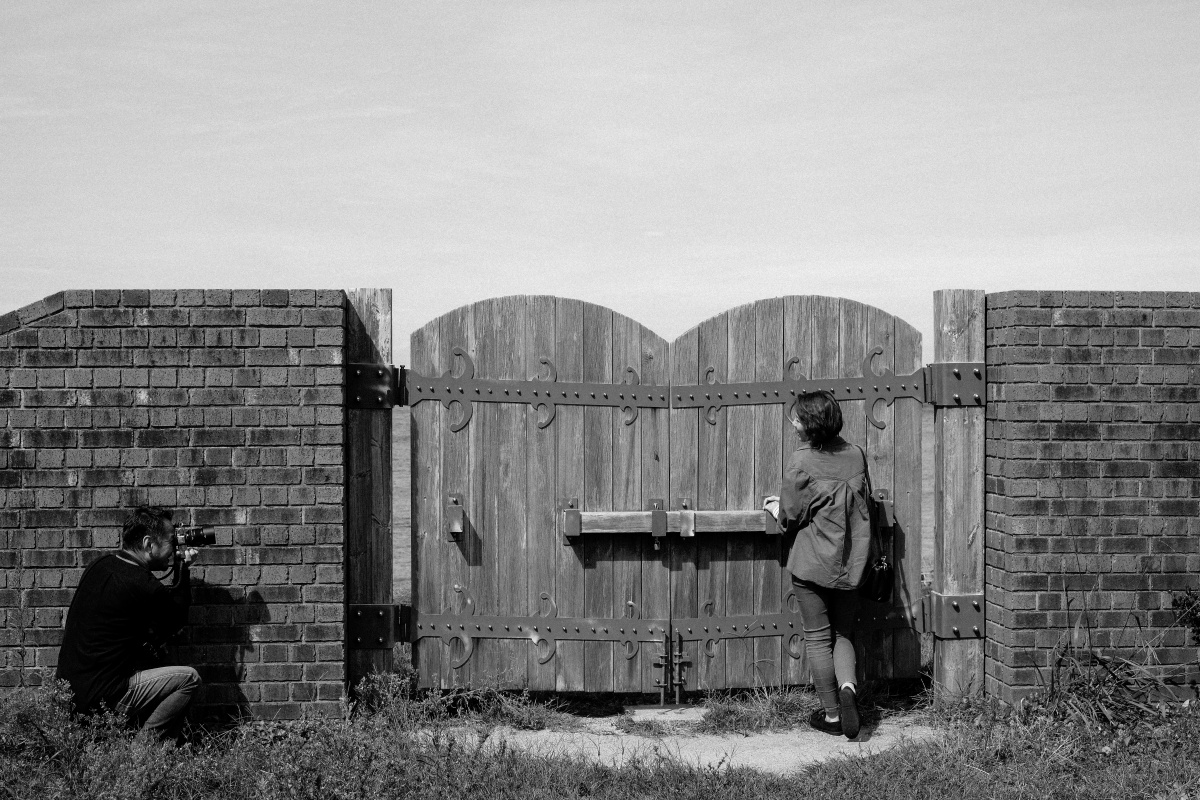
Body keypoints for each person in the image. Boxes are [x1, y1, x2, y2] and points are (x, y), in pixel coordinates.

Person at [764, 391, 873, 739]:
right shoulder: (856, 456)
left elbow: (792, 515)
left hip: (811, 565)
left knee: (816, 638)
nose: (793, 423)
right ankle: (849, 690)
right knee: (843, 634)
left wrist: (774, 508)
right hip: (851, 564)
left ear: (811, 424)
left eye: (797, 418)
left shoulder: (802, 461)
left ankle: (831, 716)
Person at [56, 505, 201, 742]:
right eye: (170, 541)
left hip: (70, 695)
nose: (173, 548)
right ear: (148, 544)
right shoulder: (142, 585)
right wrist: (182, 569)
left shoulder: (100, 565)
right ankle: (141, 755)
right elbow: (176, 619)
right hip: (102, 698)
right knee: (189, 679)